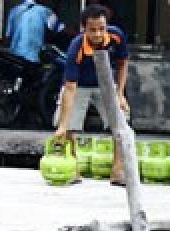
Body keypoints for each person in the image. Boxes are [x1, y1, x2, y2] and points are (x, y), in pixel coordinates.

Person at [53, 4, 129, 184]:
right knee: (68, 126)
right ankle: (73, 168)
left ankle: (118, 170)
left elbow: (123, 63)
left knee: (120, 123)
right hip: (79, 85)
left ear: (107, 26)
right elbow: (70, 88)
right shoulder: (76, 47)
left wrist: (120, 94)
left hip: (106, 83)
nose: (97, 34)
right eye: (92, 30)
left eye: (101, 29)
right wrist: (63, 125)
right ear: (84, 29)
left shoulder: (116, 36)